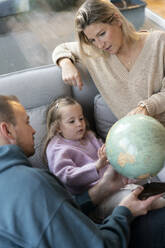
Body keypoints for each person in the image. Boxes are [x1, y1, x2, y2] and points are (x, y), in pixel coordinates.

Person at [0, 95, 164, 247]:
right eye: (27, 122)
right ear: (7, 130)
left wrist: (102, 188)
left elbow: (62, 214)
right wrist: (124, 212)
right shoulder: (33, 185)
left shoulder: (19, 185)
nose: (34, 130)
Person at [43, 96, 165, 221]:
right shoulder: (56, 149)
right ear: (57, 127)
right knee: (152, 201)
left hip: (118, 184)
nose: (80, 124)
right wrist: (96, 166)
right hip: (97, 201)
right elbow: (67, 176)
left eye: (81, 118)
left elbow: (107, 153)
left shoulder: (88, 136)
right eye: (71, 121)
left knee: (154, 188)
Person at [52, 0, 165, 126]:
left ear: (117, 20)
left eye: (102, 34)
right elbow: (62, 48)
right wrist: (65, 63)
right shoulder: (96, 54)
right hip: (135, 137)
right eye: (92, 40)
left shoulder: (160, 43)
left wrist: (146, 107)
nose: (100, 45)